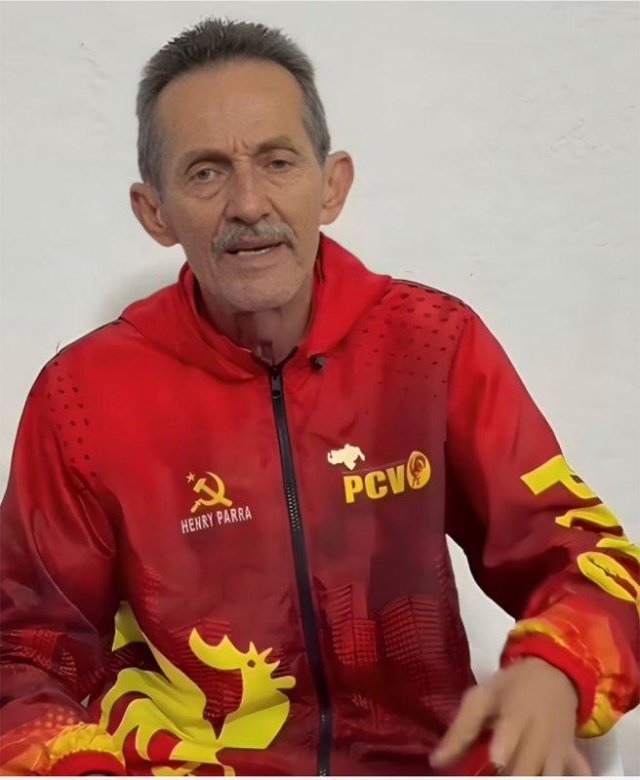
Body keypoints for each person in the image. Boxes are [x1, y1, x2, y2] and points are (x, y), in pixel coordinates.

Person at [0, 18, 637, 777]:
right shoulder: (82, 396)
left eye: (278, 161)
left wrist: (557, 670)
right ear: (154, 212)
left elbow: (590, 558)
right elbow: (24, 651)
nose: (248, 203)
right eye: (205, 173)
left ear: (332, 185)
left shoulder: (431, 344)